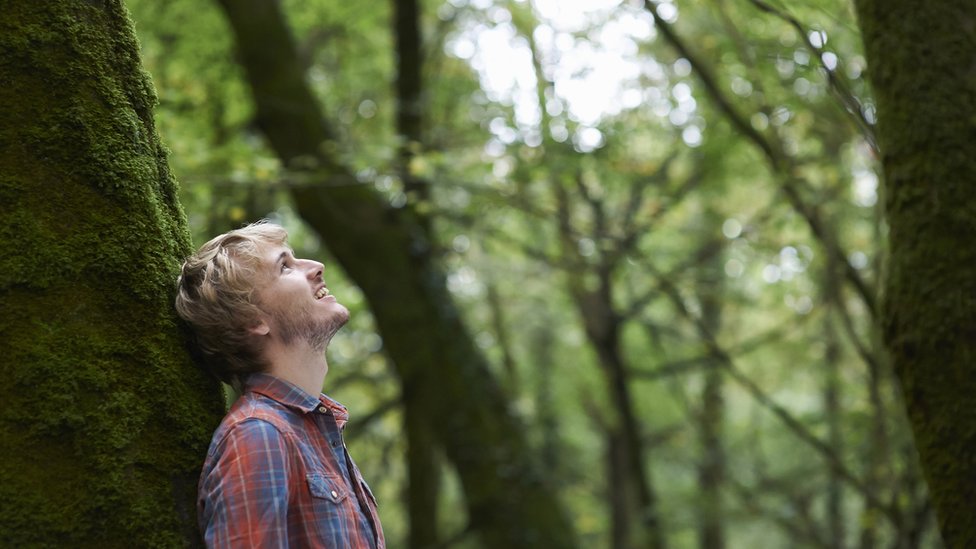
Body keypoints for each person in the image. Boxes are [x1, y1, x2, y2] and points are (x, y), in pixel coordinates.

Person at [175, 221, 385, 548]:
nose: (316, 267)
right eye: (285, 267)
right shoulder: (258, 436)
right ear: (252, 320)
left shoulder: (313, 433)